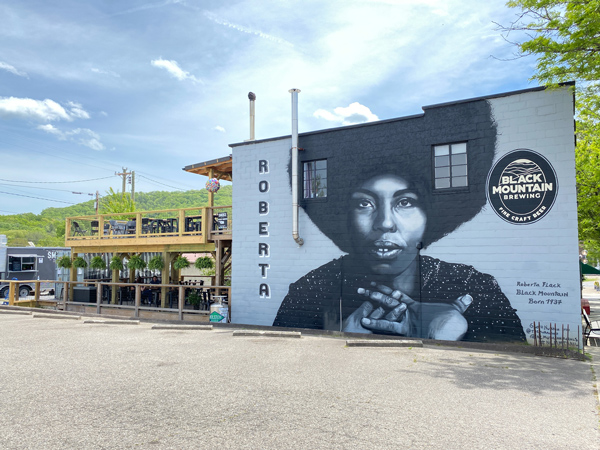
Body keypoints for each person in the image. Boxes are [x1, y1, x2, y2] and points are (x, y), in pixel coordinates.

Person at [272, 100, 526, 342]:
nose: (384, 223)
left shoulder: (472, 286)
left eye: (404, 202)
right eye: (364, 204)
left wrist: (444, 337)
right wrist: (342, 336)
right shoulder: (311, 289)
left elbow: (515, 356)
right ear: (345, 217)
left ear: (429, 216)